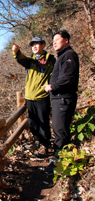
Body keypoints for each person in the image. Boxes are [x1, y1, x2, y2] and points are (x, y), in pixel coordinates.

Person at [12, 37, 56, 158]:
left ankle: (45, 145)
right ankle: (37, 141)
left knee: (43, 121)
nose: (34, 47)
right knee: (33, 123)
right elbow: (20, 58)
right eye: (33, 45)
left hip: (42, 96)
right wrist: (16, 51)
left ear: (43, 45)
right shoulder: (30, 61)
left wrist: (53, 85)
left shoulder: (50, 60)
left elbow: (58, 73)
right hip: (30, 96)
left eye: (37, 44)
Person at [43, 30, 79, 173]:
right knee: (59, 129)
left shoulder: (69, 55)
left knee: (60, 130)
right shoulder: (63, 56)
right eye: (53, 41)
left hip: (63, 98)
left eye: (57, 39)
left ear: (66, 40)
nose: (54, 42)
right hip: (60, 98)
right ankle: (60, 159)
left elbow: (68, 77)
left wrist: (52, 86)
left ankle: (59, 163)